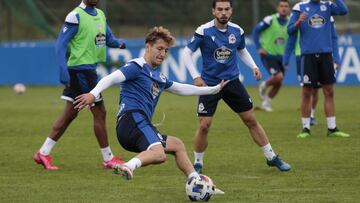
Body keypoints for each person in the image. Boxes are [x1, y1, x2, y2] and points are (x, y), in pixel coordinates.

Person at [74, 26, 228, 182]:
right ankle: (128, 166)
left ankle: (195, 180)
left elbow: (180, 89)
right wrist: (93, 94)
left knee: (177, 145)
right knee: (159, 154)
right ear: (148, 46)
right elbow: (111, 78)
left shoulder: (158, 76)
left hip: (138, 125)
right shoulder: (136, 67)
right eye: (159, 48)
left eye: (166, 50)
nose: (162, 54)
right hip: (132, 120)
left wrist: (213, 90)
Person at [182, 0, 291, 173]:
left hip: (232, 82)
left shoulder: (237, 30)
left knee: (251, 120)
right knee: (204, 125)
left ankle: (271, 157)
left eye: (226, 9)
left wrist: (254, 66)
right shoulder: (203, 31)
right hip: (210, 84)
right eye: (220, 9)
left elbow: (241, 50)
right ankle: (197, 163)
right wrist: (196, 76)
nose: (223, 12)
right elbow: (186, 53)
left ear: (231, 11)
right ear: (213, 11)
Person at [33, 0, 126, 170]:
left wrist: (119, 43)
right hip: (80, 72)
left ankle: (43, 153)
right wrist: (62, 70)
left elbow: (108, 39)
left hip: (89, 71)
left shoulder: (100, 14)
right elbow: (60, 44)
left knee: (69, 114)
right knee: (100, 112)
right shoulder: (75, 16)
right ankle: (108, 159)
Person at [287, 0, 350, 138]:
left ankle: (332, 128)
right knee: (306, 92)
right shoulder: (300, 7)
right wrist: (298, 22)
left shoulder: (327, 6)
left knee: (329, 91)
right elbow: (290, 30)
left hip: (326, 55)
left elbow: (344, 10)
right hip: (308, 56)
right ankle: (305, 128)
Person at [283, 16, 340, 126]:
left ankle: (312, 114)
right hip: (303, 56)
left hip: (322, 55)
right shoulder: (299, 13)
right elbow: (291, 37)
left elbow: (333, 36)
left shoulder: (325, 13)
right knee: (307, 89)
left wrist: (335, 57)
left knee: (316, 89)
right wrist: (286, 57)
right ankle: (306, 121)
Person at [252, 0, 291, 112]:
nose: (284, 8)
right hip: (268, 55)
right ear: (278, 8)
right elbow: (255, 31)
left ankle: (266, 103)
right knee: (278, 77)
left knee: (279, 83)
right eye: (281, 6)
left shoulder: (290, 22)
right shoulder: (270, 20)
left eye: (286, 6)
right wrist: (259, 47)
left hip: (281, 57)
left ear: (288, 9)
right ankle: (263, 84)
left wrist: (287, 59)